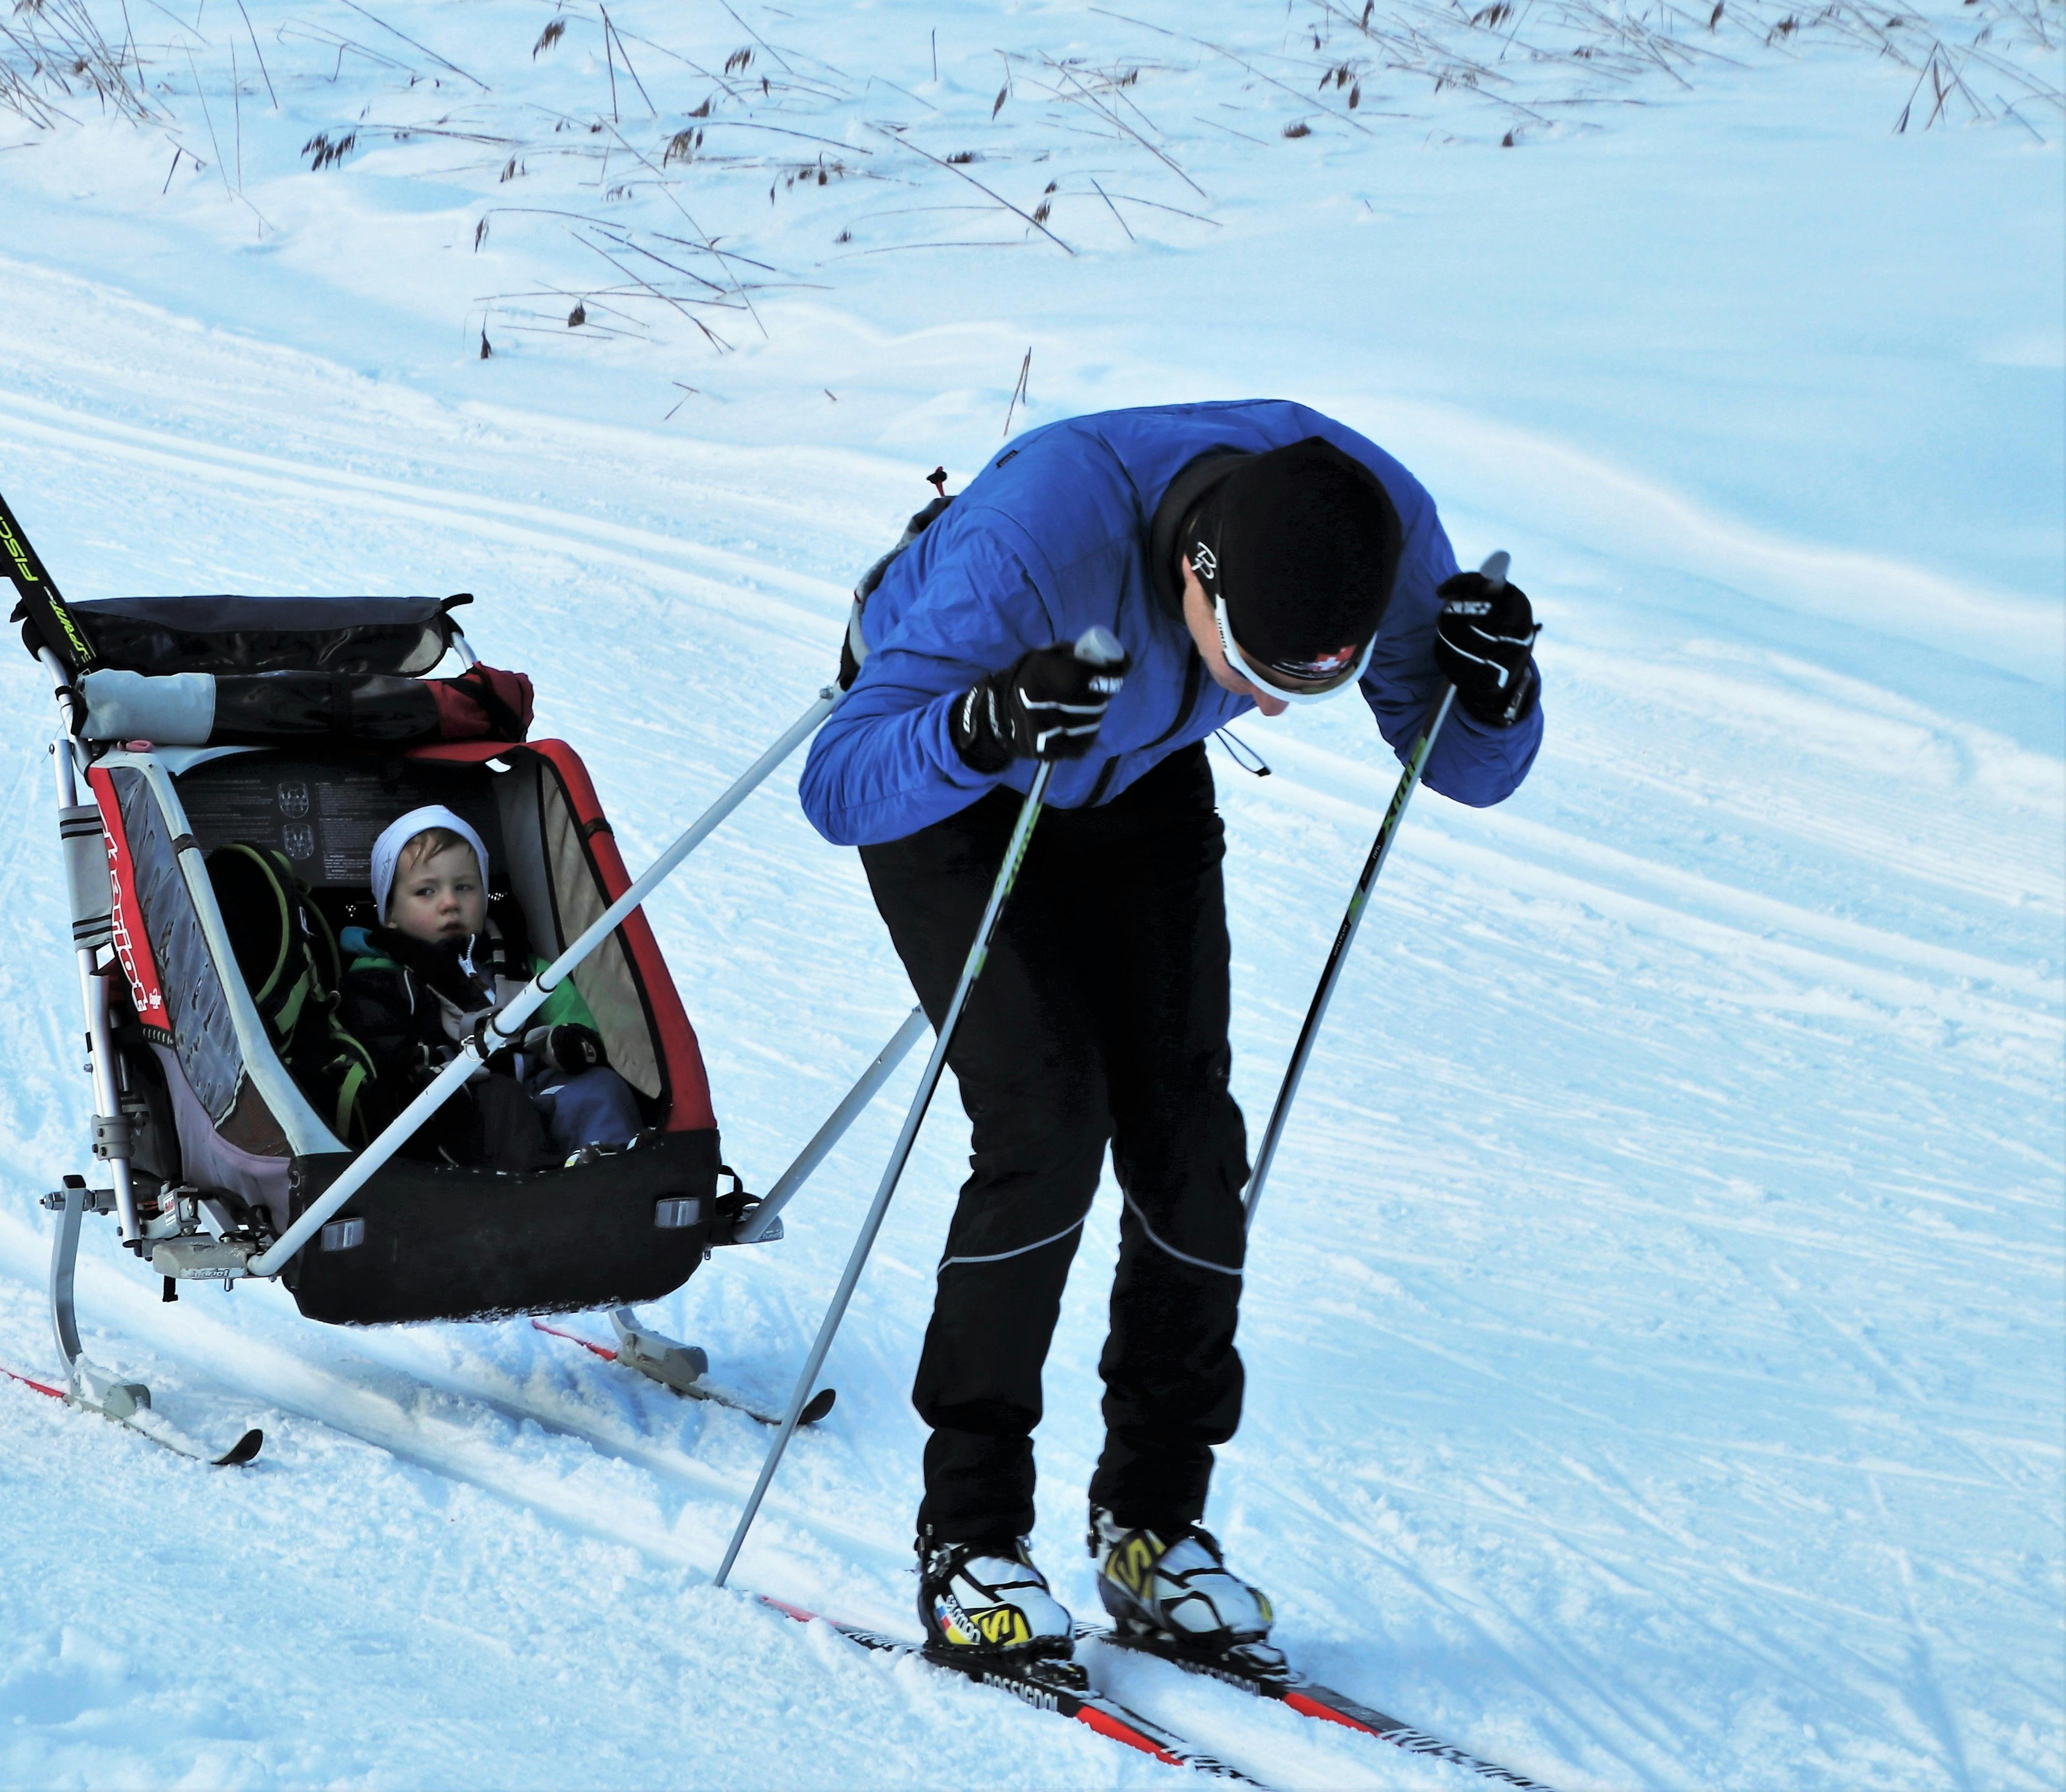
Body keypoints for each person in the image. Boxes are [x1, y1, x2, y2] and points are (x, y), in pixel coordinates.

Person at [799, 401, 1544, 1671]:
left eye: (1307, 685)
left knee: (1193, 1141)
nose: (1265, 710)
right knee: (1046, 1120)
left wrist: (1498, 689)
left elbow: (1465, 769)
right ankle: (970, 1537)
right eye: (1250, 670)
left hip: (1131, 770)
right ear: (1198, 574)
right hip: (963, 769)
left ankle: (1152, 1526)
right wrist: (980, 725)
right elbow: (843, 780)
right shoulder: (1040, 539)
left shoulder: (1373, 520)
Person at [339, 805, 641, 1167]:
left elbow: (576, 1022)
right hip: (450, 1112)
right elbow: (381, 1045)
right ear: (389, 913)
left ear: (484, 897)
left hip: (538, 1088)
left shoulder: (526, 969)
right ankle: (541, 1194)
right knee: (501, 1099)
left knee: (599, 1088)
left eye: (464, 887)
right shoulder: (378, 980)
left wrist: (568, 1044)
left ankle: (610, 1174)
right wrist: (429, 1069)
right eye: (426, 892)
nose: (449, 903)